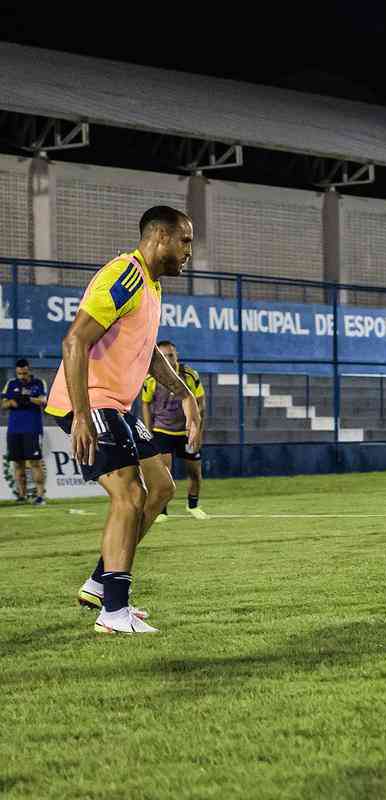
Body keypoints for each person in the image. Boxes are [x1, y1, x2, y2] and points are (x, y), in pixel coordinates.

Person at [44, 206, 200, 634]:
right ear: (161, 237)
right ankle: (114, 612)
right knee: (129, 496)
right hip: (92, 401)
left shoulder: (152, 286)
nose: (190, 251)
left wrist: (186, 395)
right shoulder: (125, 275)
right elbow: (74, 340)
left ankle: (100, 581)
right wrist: (80, 414)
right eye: (185, 241)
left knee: (162, 486)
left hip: (117, 405)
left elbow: (147, 354)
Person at [141, 340, 207, 519]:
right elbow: (146, 403)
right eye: (163, 355)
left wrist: (198, 431)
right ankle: (162, 511)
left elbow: (200, 403)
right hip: (162, 431)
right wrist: (149, 430)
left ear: (176, 355)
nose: (168, 358)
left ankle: (193, 506)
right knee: (164, 473)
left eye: (171, 354)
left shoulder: (189, 375)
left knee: (194, 471)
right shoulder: (151, 378)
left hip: (186, 433)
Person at [3, 359, 47, 505]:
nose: (22, 376)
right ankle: (22, 496)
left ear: (29, 370)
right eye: (19, 373)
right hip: (14, 429)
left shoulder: (39, 383)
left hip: (32, 429)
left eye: (24, 373)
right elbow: (3, 403)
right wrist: (12, 402)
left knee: (35, 462)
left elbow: (44, 401)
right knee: (17, 464)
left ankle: (40, 496)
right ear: (16, 372)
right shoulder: (11, 384)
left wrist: (28, 399)